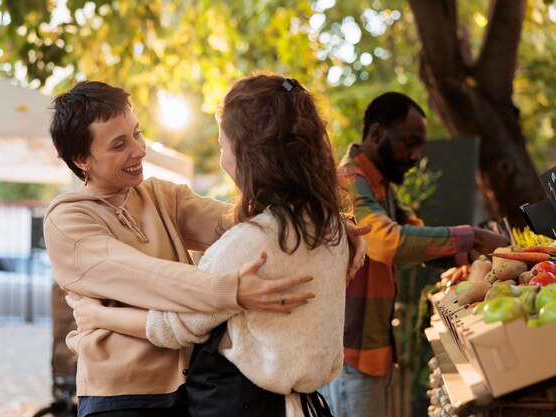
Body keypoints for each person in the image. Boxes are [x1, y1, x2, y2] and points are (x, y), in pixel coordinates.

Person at [44, 80, 368, 417]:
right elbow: (149, 278)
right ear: (82, 159)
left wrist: (321, 224)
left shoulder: (162, 196)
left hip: (189, 391)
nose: (139, 150)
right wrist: (232, 290)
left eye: (137, 134)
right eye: (119, 145)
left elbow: (247, 228)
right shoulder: (68, 219)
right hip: (125, 399)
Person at [317, 92, 510, 417]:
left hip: (369, 353)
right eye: (410, 143)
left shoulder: (382, 189)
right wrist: (472, 235)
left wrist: (478, 260)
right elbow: (386, 241)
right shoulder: (348, 181)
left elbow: (415, 235)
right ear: (377, 133)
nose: (416, 155)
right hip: (351, 356)